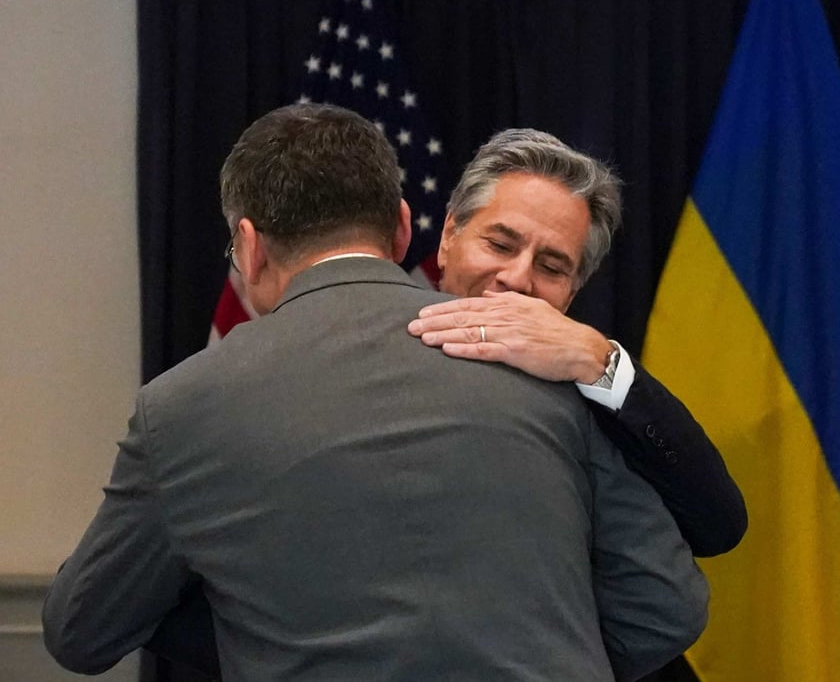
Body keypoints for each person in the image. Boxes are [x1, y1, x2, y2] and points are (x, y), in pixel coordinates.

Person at [42, 104, 708, 681]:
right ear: (403, 228)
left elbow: (84, 628)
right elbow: (667, 603)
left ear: (247, 247)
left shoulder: (182, 406)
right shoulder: (538, 372)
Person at [408, 128, 747, 557]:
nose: (516, 279)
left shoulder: (587, 398)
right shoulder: (371, 351)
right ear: (448, 238)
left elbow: (718, 524)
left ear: (572, 293)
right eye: (499, 244)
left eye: (551, 267)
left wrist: (600, 362)